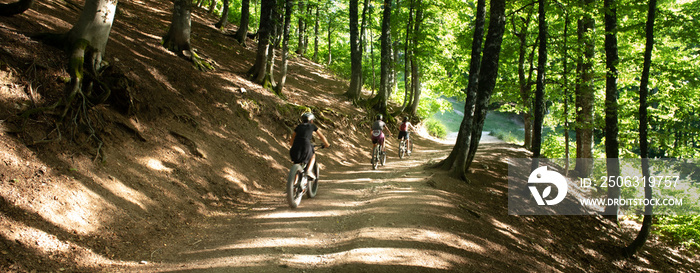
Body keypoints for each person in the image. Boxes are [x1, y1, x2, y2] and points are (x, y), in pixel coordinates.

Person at [289, 112, 330, 180]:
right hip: (306, 145)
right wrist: (327, 144)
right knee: (312, 156)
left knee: (297, 165)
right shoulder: (312, 126)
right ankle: (308, 171)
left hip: (296, 146)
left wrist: (291, 144)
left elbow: (293, 138)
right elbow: (321, 136)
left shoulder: (298, 126)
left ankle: (293, 186)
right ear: (311, 120)